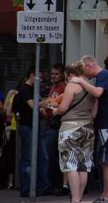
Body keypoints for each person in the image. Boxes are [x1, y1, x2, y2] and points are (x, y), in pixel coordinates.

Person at [71, 55, 108, 203]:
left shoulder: (103, 76)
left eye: (83, 71)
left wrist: (80, 81)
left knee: (106, 161)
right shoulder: (104, 77)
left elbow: (98, 93)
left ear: (89, 66)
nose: (84, 75)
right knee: (104, 160)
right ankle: (106, 193)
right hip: (105, 123)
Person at [54, 62, 96, 203]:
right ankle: (80, 198)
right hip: (88, 127)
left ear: (70, 74)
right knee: (84, 165)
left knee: (71, 164)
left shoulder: (71, 86)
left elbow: (63, 108)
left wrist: (55, 110)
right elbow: (94, 112)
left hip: (70, 128)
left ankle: (75, 199)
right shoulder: (91, 86)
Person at [17, 67, 50, 197]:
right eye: (39, 77)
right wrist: (47, 102)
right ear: (32, 75)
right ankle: (27, 189)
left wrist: (45, 108)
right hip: (27, 127)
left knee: (42, 156)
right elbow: (33, 105)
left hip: (35, 126)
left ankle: (42, 186)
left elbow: (38, 108)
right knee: (28, 158)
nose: (40, 80)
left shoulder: (32, 89)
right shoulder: (25, 89)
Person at [43, 63, 70, 196]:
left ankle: (59, 184)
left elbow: (56, 106)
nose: (54, 76)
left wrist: (47, 107)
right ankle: (55, 184)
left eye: (56, 74)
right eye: (52, 74)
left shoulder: (64, 88)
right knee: (51, 156)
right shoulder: (53, 87)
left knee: (55, 156)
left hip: (57, 125)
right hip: (50, 124)